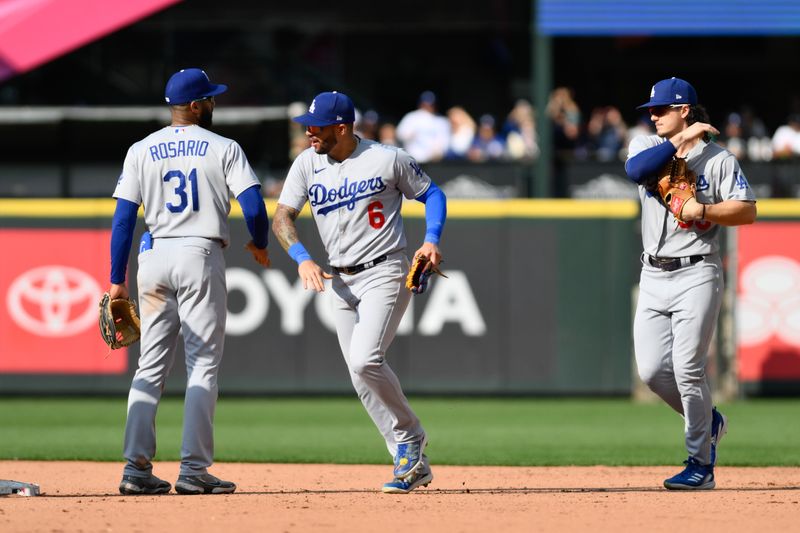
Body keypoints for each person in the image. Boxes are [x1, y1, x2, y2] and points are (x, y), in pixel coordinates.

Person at [272, 91, 447, 494]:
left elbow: (432, 193)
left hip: (385, 268)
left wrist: (431, 239)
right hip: (340, 278)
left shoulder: (387, 158)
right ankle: (409, 460)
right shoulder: (307, 164)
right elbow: (283, 216)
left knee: (366, 359)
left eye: (315, 126)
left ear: (342, 127)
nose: (309, 132)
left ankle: (411, 435)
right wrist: (301, 257)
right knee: (358, 372)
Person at [110, 68, 270, 495]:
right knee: (202, 364)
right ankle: (194, 470)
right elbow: (253, 205)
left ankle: (135, 470)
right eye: (210, 98)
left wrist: (115, 281)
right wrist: (258, 242)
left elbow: (124, 218)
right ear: (197, 105)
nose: (213, 104)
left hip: (153, 256)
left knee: (150, 364)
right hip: (199, 252)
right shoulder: (224, 147)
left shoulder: (141, 149)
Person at [625, 77, 756, 490]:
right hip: (652, 273)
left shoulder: (718, 160)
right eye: (651, 110)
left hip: (697, 270)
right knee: (651, 371)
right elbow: (637, 172)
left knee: (687, 368)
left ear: (684, 109)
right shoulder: (646, 148)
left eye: (662, 109)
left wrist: (703, 207)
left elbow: (747, 211)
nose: (654, 115)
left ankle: (700, 463)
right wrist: (682, 142)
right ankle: (709, 420)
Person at [396, 90, 450, 163]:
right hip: (413, 161)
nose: (427, 107)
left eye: (431, 104)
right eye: (425, 104)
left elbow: (445, 141)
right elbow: (400, 134)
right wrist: (408, 136)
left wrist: (439, 151)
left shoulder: (441, 121)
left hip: (433, 162)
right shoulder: (411, 117)